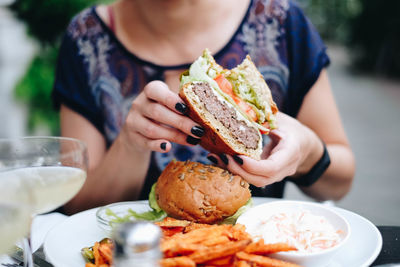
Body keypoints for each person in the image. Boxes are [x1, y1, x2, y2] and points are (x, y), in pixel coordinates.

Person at [53, 0, 355, 214]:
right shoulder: (85, 39)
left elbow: (340, 182)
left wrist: (306, 152)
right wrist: (132, 145)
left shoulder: (281, 23)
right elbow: (78, 208)